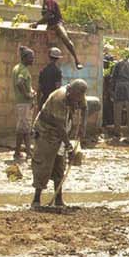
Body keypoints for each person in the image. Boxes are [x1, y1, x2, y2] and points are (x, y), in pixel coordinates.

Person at [31, 80, 87, 209]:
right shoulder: (59, 98)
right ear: (70, 91)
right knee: (43, 165)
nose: (77, 100)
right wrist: (68, 146)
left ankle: (59, 200)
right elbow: (59, 126)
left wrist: (83, 126)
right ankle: (36, 200)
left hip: (61, 135)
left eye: (79, 97)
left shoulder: (78, 94)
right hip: (46, 133)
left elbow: (85, 107)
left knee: (59, 166)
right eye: (75, 97)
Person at [31, 0, 82, 67]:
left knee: (66, 40)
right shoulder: (44, 2)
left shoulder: (50, 0)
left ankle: (77, 60)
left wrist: (37, 23)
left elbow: (49, 15)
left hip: (57, 24)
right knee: (48, 46)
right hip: (50, 25)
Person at [111, 50, 129, 143]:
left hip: (119, 86)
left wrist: (112, 90)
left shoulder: (118, 63)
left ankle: (117, 131)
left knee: (117, 109)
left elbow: (113, 77)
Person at [12, 47, 35, 162]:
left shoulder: (17, 68)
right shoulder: (24, 70)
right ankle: (26, 152)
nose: (33, 60)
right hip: (24, 102)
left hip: (21, 102)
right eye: (31, 57)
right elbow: (20, 83)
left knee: (22, 127)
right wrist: (27, 95)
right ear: (25, 58)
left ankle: (19, 151)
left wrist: (30, 91)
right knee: (25, 128)